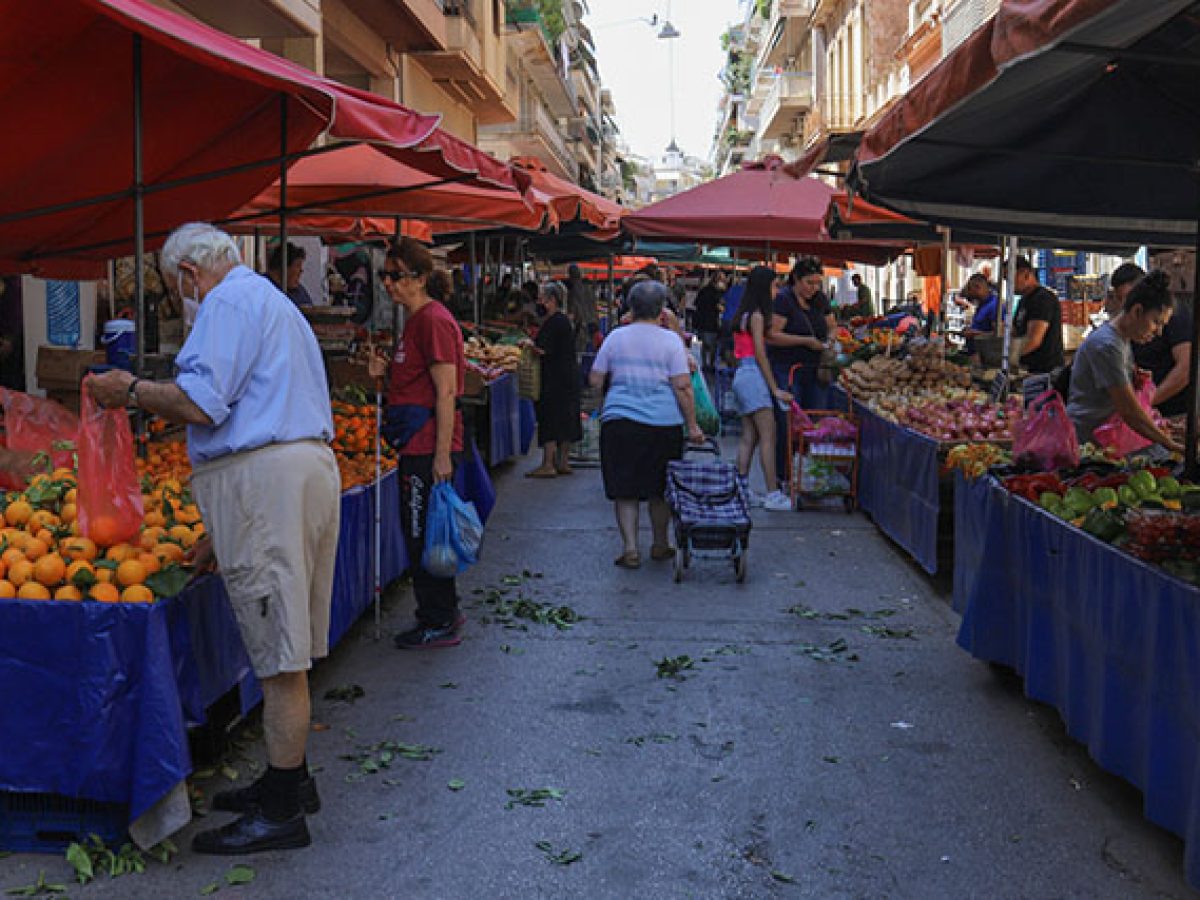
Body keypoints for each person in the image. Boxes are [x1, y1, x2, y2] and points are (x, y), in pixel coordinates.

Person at [88, 223, 340, 854]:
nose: (180, 300)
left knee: (280, 655)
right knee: (289, 637)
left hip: (268, 483)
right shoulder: (270, 300)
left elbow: (201, 403)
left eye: (176, 290)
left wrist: (132, 392)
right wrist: (223, 536)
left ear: (188, 275)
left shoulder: (225, 302)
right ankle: (292, 781)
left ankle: (283, 811)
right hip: (300, 473)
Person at [367, 237, 468, 649]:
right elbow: (413, 385)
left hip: (428, 447)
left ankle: (439, 619)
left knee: (424, 534)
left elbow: (446, 391)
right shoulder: (415, 322)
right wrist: (381, 375)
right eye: (384, 275)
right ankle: (439, 612)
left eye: (396, 276)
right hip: (416, 444)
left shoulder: (433, 321)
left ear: (421, 278)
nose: (388, 284)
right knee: (421, 533)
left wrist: (442, 454)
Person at [589, 280, 704, 569]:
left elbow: (595, 379)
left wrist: (605, 403)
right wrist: (692, 426)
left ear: (630, 307)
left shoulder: (615, 337)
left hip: (620, 422)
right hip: (663, 424)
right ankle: (659, 543)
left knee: (624, 488)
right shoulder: (670, 341)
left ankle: (629, 548)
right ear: (661, 310)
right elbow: (682, 387)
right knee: (659, 488)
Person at [1067, 270, 1182, 452]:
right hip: (1091, 446)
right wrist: (1171, 445)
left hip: (1106, 441)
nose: (1158, 332)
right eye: (1156, 322)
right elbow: (1129, 412)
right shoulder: (1108, 346)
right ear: (1137, 311)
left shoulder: (1121, 340)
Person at [731, 266, 793, 511]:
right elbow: (760, 354)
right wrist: (774, 388)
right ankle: (772, 492)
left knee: (750, 436)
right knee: (769, 435)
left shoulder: (744, 314)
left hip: (742, 375)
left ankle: (741, 487)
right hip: (753, 375)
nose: (777, 290)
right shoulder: (757, 316)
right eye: (775, 285)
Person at [525, 281, 582, 478]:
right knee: (567, 418)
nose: (540, 302)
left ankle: (548, 464)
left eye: (543, 298)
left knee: (550, 418)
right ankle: (563, 462)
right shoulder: (564, 320)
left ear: (552, 300)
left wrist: (527, 344)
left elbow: (543, 351)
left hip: (554, 378)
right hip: (568, 376)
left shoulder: (554, 322)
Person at [1013, 257, 1064, 374]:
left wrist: (1009, 358)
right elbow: (1016, 331)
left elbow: (1034, 339)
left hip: (1045, 371)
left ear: (1026, 274)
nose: (1009, 283)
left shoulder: (1043, 299)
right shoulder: (1023, 300)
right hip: (1028, 368)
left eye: (1011, 278)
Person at [959, 273, 1003, 362]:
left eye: (971, 289)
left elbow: (999, 334)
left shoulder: (995, 306)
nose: (970, 293)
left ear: (978, 287)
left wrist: (974, 333)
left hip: (985, 358)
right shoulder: (982, 304)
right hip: (974, 355)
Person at [692, 272, 725, 371]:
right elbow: (720, 307)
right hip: (712, 322)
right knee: (712, 345)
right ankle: (710, 364)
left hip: (702, 321)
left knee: (705, 344)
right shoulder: (717, 293)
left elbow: (696, 303)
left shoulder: (703, 290)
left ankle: (705, 364)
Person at [266, 242, 315, 307]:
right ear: (283, 267)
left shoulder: (299, 291)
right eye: (297, 265)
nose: (301, 271)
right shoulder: (264, 289)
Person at [566, 264, 599, 351]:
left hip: (582, 326)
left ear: (570, 276)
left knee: (581, 354)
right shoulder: (589, 289)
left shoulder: (572, 292)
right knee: (593, 353)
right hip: (594, 323)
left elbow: (572, 313)